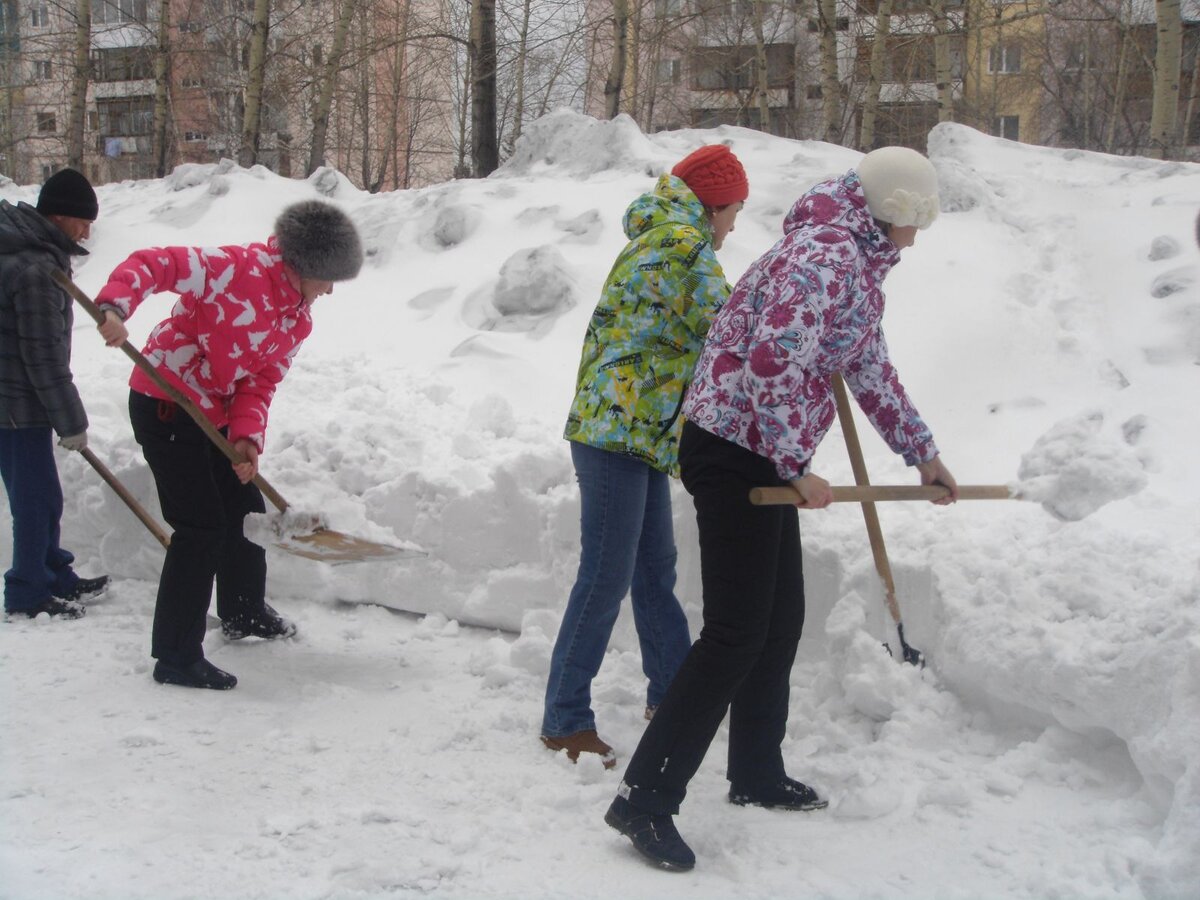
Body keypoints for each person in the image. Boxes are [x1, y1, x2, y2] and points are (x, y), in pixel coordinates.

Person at [604, 146, 961, 870]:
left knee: (779, 619)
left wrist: (919, 452)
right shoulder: (825, 258)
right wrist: (793, 466)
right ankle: (643, 800)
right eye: (912, 223)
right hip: (736, 447)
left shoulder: (851, 259)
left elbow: (865, 363)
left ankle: (756, 772)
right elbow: (772, 362)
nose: (916, 240)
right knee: (736, 631)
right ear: (889, 212)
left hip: (760, 445)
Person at [94, 200, 363, 690]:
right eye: (328, 279)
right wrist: (115, 307)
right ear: (307, 266)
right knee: (200, 529)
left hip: (213, 416)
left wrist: (245, 438)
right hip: (166, 403)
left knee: (244, 512)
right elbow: (155, 263)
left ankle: (244, 612)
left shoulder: (296, 320)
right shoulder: (233, 269)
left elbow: (260, 382)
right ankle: (175, 656)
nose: (329, 291)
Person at [541, 145, 748, 767]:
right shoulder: (684, 248)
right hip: (616, 434)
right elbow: (739, 330)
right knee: (606, 575)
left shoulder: (660, 235)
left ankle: (674, 695)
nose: (734, 227)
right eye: (734, 213)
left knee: (653, 569)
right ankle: (564, 718)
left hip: (633, 433)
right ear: (714, 207)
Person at [0, 168, 110, 620]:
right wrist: (72, 423)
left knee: (43, 496)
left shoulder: (31, 254)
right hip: (14, 404)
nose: (86, 232)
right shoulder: (34, 270)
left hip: (16, 397)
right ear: (59, 217)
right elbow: (42, 356)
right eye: (82, 222)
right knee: (35, 501)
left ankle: (53, 573)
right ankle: (28, 590)